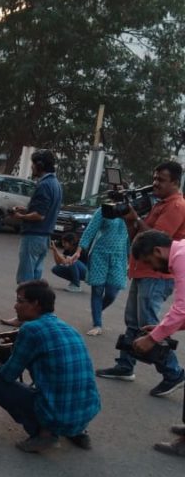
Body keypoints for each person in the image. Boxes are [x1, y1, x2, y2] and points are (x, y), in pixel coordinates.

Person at [96, 161, 185, 396]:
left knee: (150, 325)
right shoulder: (160, 204)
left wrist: (136, 217)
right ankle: (126, 365)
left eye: (161, 180)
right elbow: (137, 236)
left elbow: (156, 242)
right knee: (134, 322)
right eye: (154, 178)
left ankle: (173, 372)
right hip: (144, 270)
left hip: (157, 274)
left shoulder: (175, 206)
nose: (155, 183)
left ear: (175, 182)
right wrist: (129, 218)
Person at [0, 280, 101, 453]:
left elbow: (8, 375)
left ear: (35, 304)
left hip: (59, 413)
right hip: (88, 409)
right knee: (60, 386)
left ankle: (45, 435)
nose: (15, 306)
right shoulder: (68, 328)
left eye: (20, 301)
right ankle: (77, 431)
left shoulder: (31, 330)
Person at [131, 231, 185, 456]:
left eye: (149, 262)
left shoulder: (181, 258)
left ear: (157, 251)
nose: (152, 268)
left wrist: (153, 339)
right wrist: (162, 330)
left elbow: (182, 308)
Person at [72, 208, 130, 336]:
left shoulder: (131, 211)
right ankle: (97, 323)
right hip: (100, 255)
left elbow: (131, 237)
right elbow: (90, 230)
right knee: (97, 290)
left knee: (111, 293)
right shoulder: (104, 210)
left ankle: (97, 310)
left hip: (119, 257)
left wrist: (131, 258)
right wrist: (79, 250)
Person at [11, 149, 63, 283]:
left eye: (33, 164)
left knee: (26, 279)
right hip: (44, 237)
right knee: (35, 277)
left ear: (40, 165)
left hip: (33, 236)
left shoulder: (44, 185)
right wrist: (27, 209)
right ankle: (35, 303)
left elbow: (39, 215)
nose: (31, 167)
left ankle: (26, 302)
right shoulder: (55, 184)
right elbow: (45, 209)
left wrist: (20, 216)